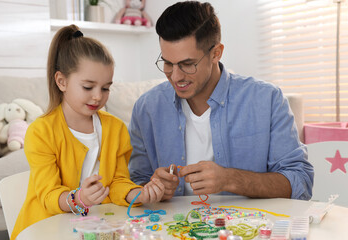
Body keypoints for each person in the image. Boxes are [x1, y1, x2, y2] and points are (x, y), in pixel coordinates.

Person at [128, 1, 314, 201]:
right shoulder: (147, 108)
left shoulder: (266, 100)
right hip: (170, 228)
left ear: (216, 53)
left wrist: (230, 179)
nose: (175, 76)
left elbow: (300, 182)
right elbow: (133, 183)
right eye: (167, 63)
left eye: (187, 64)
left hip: (247, 228)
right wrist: (152, 188)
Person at [11, 25, 164, 240]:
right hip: (47, 229)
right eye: (88, 87)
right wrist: (79, 198)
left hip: (96, 228)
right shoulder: (41, 132)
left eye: (105, 88)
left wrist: (135, 193)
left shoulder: (116, 129)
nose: (97, 97)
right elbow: (48, 195)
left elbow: (118, 181)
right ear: (61, 81)